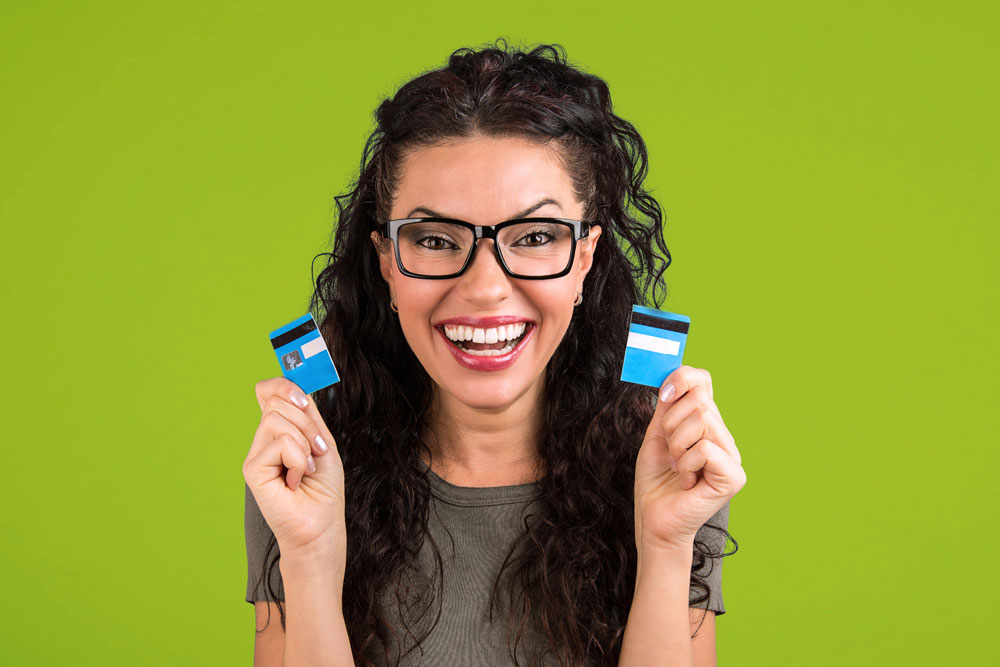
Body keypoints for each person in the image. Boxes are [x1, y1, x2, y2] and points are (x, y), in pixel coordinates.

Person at [243, 39, 747, 667]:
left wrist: (667, 545)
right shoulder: (307, 470)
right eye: (433, 239)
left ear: (584, 258)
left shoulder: (670, 466)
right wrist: (313, 558)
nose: (484, 289)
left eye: (536, 236)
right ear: (384, 262)